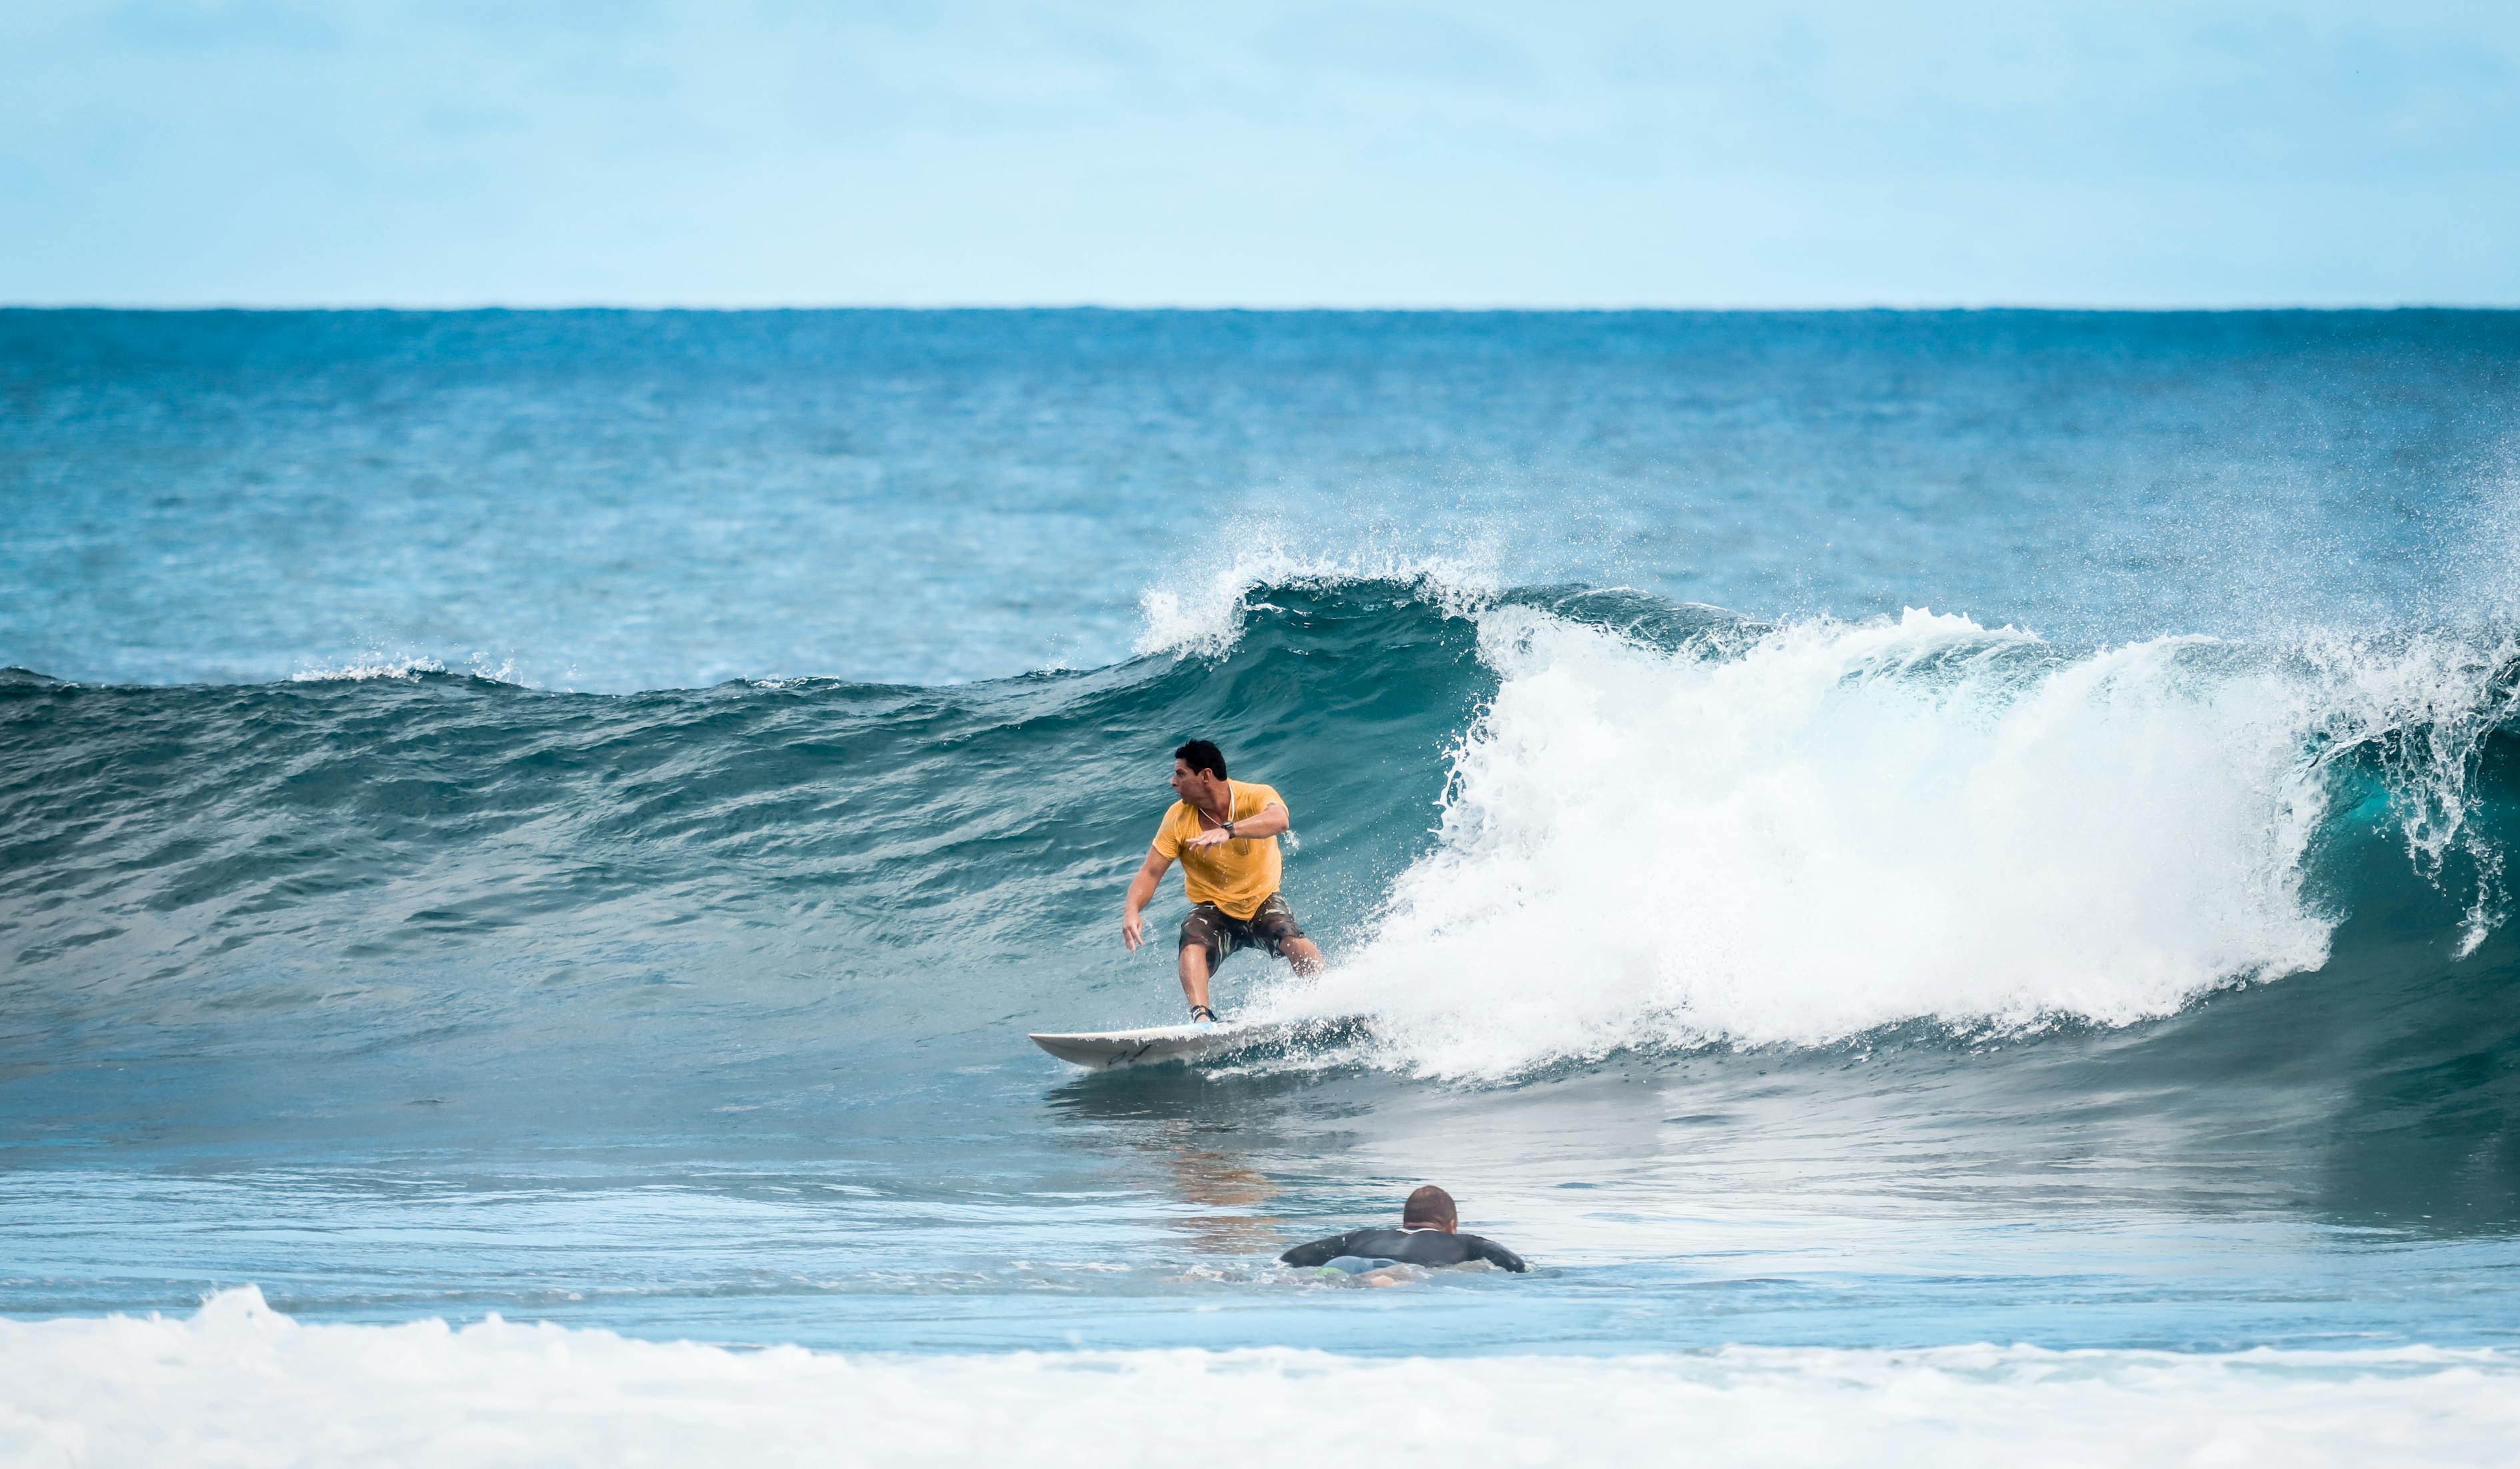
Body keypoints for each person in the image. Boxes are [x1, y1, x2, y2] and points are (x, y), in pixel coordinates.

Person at [1121, 738, 1325, 1024]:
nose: (1173, 782)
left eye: (1180, 774)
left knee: (1289, 935)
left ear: (1205, 776)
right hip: (1213, 907)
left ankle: (1328, 998)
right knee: (1192, 943)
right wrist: (1132, 910)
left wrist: (1229, 830)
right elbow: (1150, 873)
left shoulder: (1254, 795)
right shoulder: (1177, 818)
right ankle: (1202, 1019)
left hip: (1261, 899)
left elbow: (1279, 820)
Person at [1279, 1185, 1528, 1274]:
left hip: (1344, 1265)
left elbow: (1293, 1258)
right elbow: (1514, 1264)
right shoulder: (1466, 1243)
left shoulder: (1362, 1236)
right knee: (1381, 1282)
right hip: (1398, 1272)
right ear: (1451, 1225)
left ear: (1405, 1221)